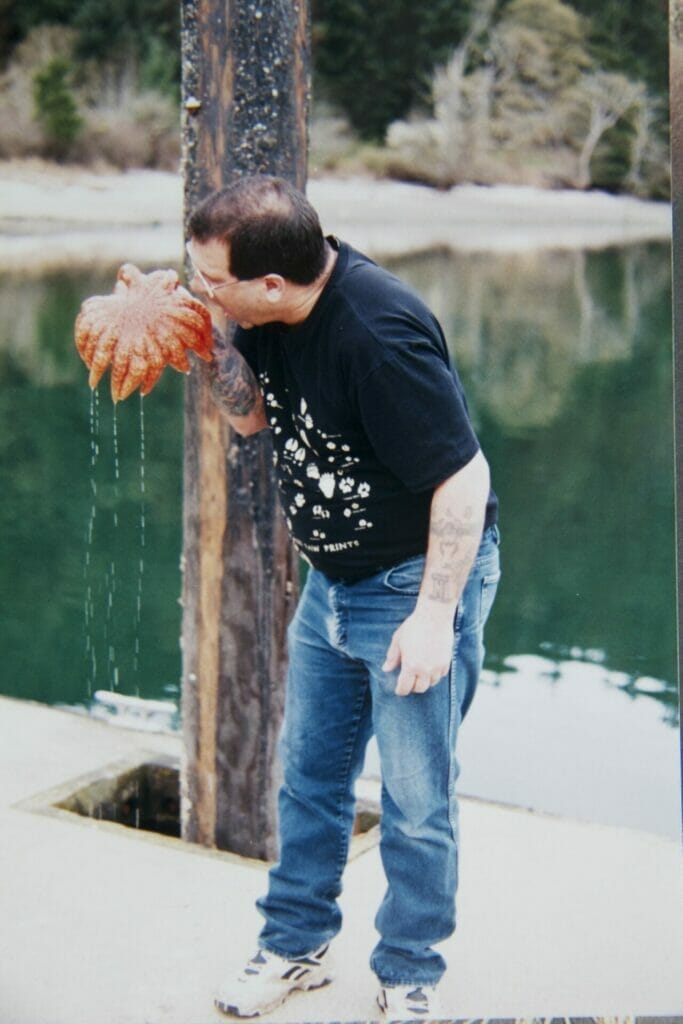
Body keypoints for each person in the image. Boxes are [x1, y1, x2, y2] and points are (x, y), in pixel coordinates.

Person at [186, 175, 500, 1022]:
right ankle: (295, 946)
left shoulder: (376, 334)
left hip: (411, 584)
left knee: (414, 797)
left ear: (273, 282)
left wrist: (436, 616)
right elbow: (253, 420)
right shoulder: (266, 318)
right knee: (309, 779)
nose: (201, 292)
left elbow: (463, 479)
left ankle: (407, 971)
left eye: (211, 282)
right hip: (332, 581)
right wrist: (203, 341)